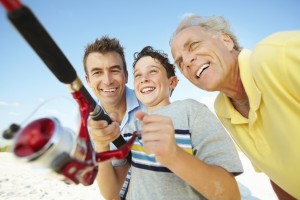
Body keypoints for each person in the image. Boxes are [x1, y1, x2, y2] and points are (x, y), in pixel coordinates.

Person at [170, 14, 300, 199]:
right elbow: (276, 172)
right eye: (180, 62)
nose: (188, 61)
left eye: (194, 46)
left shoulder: (275, 56)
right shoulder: (223, 109)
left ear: (226, 41)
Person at [89, 46, 243, 199]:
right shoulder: (129, 129)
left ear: (172, 82)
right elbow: (112, 194)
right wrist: (101, 146)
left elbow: (231, 195)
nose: (144, 79)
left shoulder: (191, 111)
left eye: (153, 71)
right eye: (138, 75)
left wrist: (173, 155)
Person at [83, 35, 145, 199]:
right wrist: (101, 144)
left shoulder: (151, 104)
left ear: (125, 75)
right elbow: (110, 195)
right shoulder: (87, 127)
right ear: (88, 80)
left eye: (114, 70)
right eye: (97, 72)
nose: (107, 80)